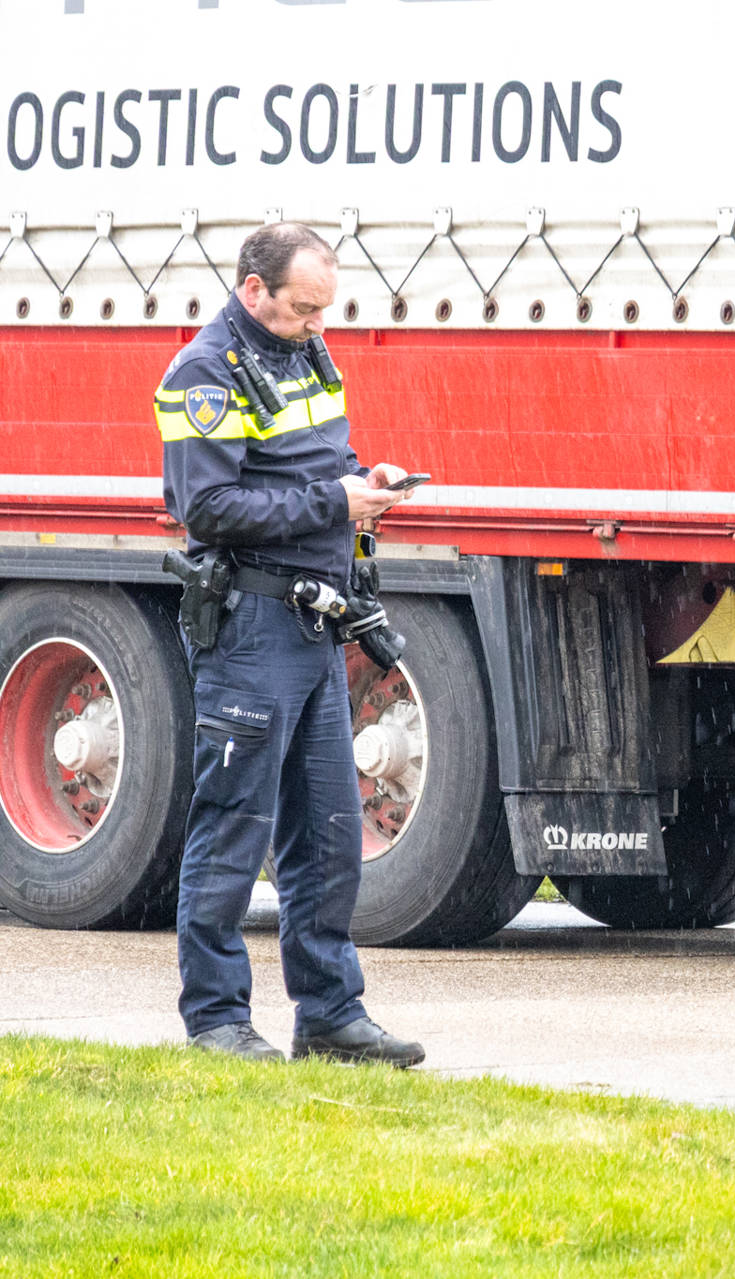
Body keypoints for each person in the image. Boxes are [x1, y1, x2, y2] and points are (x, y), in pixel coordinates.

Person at [153, 222, 424, 1066]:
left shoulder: (305, 351)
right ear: (252, 288)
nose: (314, 324)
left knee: (329, 834)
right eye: (301, 309)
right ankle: (216, 1020)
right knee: (234, 826)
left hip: (315, 621)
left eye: (322, 310)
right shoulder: (203, 374)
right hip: (251, 625)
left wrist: (365, 482)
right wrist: (334, 505)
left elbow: (315, 465)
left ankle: (332, 1015)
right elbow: (211, 509)